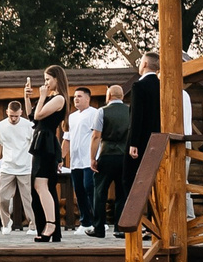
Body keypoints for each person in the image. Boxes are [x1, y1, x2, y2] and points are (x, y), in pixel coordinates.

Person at [26, 66, 68, 242]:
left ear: (57, 79)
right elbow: (32, 117)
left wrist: (42, 96)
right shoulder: (51, 97)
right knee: (39, 186)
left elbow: (40, 114)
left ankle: (51, 224)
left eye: (48, 80)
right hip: (41, 141)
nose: (45, 84)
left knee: (41, 185)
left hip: (47, 143)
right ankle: (49, 226)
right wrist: (27, 96)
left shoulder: (59, 99)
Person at [0, 98, 36, 232]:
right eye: (11, 116)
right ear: (7, 112)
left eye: (16, 116)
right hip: (7, 166)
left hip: (25, 167)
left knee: (28, 199)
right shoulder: (0, 126)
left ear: (21, 113)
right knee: (1, 195)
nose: (14, 118)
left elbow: (34, 147)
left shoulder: (29, 125)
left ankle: (33, 226)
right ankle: (6, 223)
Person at [94, 83, 132, 237]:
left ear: (108, 96)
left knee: (100, 191)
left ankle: (99, 229)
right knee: (122, 193)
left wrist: (92, 158)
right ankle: (120, 228)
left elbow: (96, 136)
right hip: (125, 156)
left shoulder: (102, 111)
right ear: (122, 96)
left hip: (107, 154)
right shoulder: (130, 110)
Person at [65, 86, 102, 233]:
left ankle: (99, 221)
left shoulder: (95, 113)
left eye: (79, 96)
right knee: (79, 190)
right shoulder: (71, 117)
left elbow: (98, 135)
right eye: (74, 97)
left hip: (90, 160)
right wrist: (61, 158)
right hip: (76, 161)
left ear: (88, 98)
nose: (76, 99)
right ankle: (85, 222)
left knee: (90, 188)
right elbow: (66, 139)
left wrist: (96, 156)